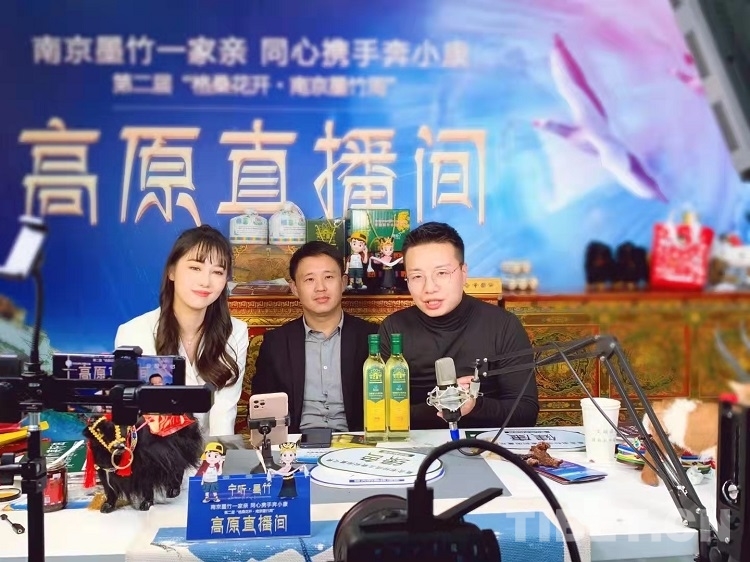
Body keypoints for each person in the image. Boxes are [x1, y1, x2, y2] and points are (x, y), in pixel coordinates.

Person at [378, 222, 539, 430]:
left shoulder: (503, 325)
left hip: (486, 443)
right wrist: (444, 404)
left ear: (463, 273)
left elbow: (526, 412)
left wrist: (475, 405)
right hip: (416, 444)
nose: (429, 288)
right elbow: (380, 413)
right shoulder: (394, 328)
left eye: (442, 273)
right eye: (417, 276)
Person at [115, 225, 249, 437]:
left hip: (211, 451)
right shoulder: (134, 332)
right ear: (171, 271)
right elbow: (143, 417)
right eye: (195, 268)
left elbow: (224, 413)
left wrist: (216, 454)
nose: (205, 281)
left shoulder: (235, 332)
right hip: (154, 451)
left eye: (217, 272)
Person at [253, 241, 378, 433]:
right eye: (310, 279)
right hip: (296, 443)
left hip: (358, 441)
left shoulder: (372, 337)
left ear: (343, 282)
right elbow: (263, 412)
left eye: (328, 277)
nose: (320, 287)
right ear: (295, 288)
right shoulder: (275, 343)